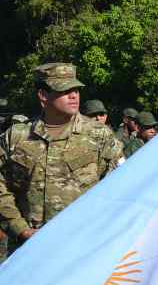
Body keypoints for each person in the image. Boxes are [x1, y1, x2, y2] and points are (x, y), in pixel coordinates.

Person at [0, 63, 123, 255]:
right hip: (29, 251)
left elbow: (121, 187)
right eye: (65, 90)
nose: (74, 96)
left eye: (75, 90)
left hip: (82, 249)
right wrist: (20, 228)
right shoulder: (16, 137)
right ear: (43, 95)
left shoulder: (99, 136)